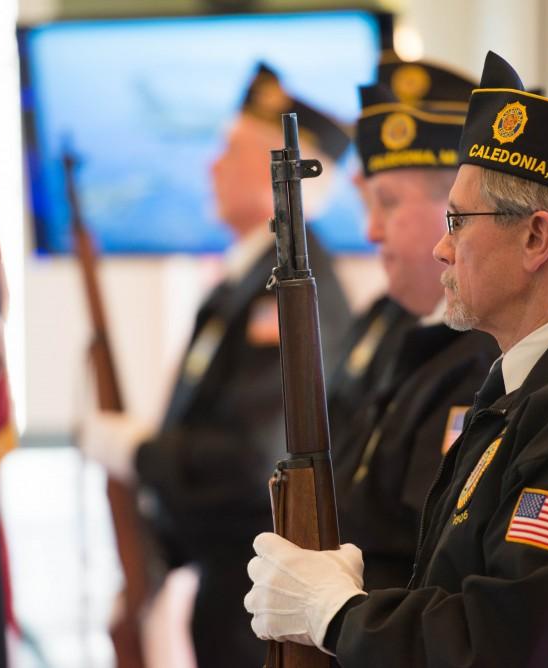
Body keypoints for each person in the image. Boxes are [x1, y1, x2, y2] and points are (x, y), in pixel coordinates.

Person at [245, 51, 548, 666]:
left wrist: (338, 614)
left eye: (457, 220)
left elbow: (509, 648)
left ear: (536, 239)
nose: (441, 249)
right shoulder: (540, 391)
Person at [83, 63, 352, 668]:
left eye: (229, 150)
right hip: (232, 588)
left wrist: (143, 451)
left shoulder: (294, 292)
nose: (210, 166)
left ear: (275, 177)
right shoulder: (243, 286)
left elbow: (252, 460)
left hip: (258, 603)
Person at [325, 56, 499, 591]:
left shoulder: (482, 352)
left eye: (388, 203)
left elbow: (426, 557)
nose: (372, 231)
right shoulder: (395, 321)